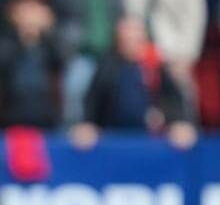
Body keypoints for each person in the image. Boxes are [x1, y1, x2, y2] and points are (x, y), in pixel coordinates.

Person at [72, 17, 196, 147]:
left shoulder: (156, 65)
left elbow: (175, 100)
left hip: (152, 142)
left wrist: (176, 122)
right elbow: (92, 101)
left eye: (136, 39)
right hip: (114, 140)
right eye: (126, 40)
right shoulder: (107, 67)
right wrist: (88, 124)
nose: (131, 44)